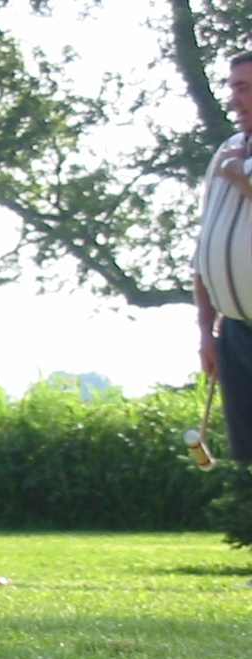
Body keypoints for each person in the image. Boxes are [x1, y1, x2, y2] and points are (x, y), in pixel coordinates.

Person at [194, 50, 252, 478]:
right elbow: (205, 247)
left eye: (244, 88)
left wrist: (239, 175)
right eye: (233, 88)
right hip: (234, 330)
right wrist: (206, 331)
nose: (234, 99)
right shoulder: (227, 150)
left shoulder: (232, 163)